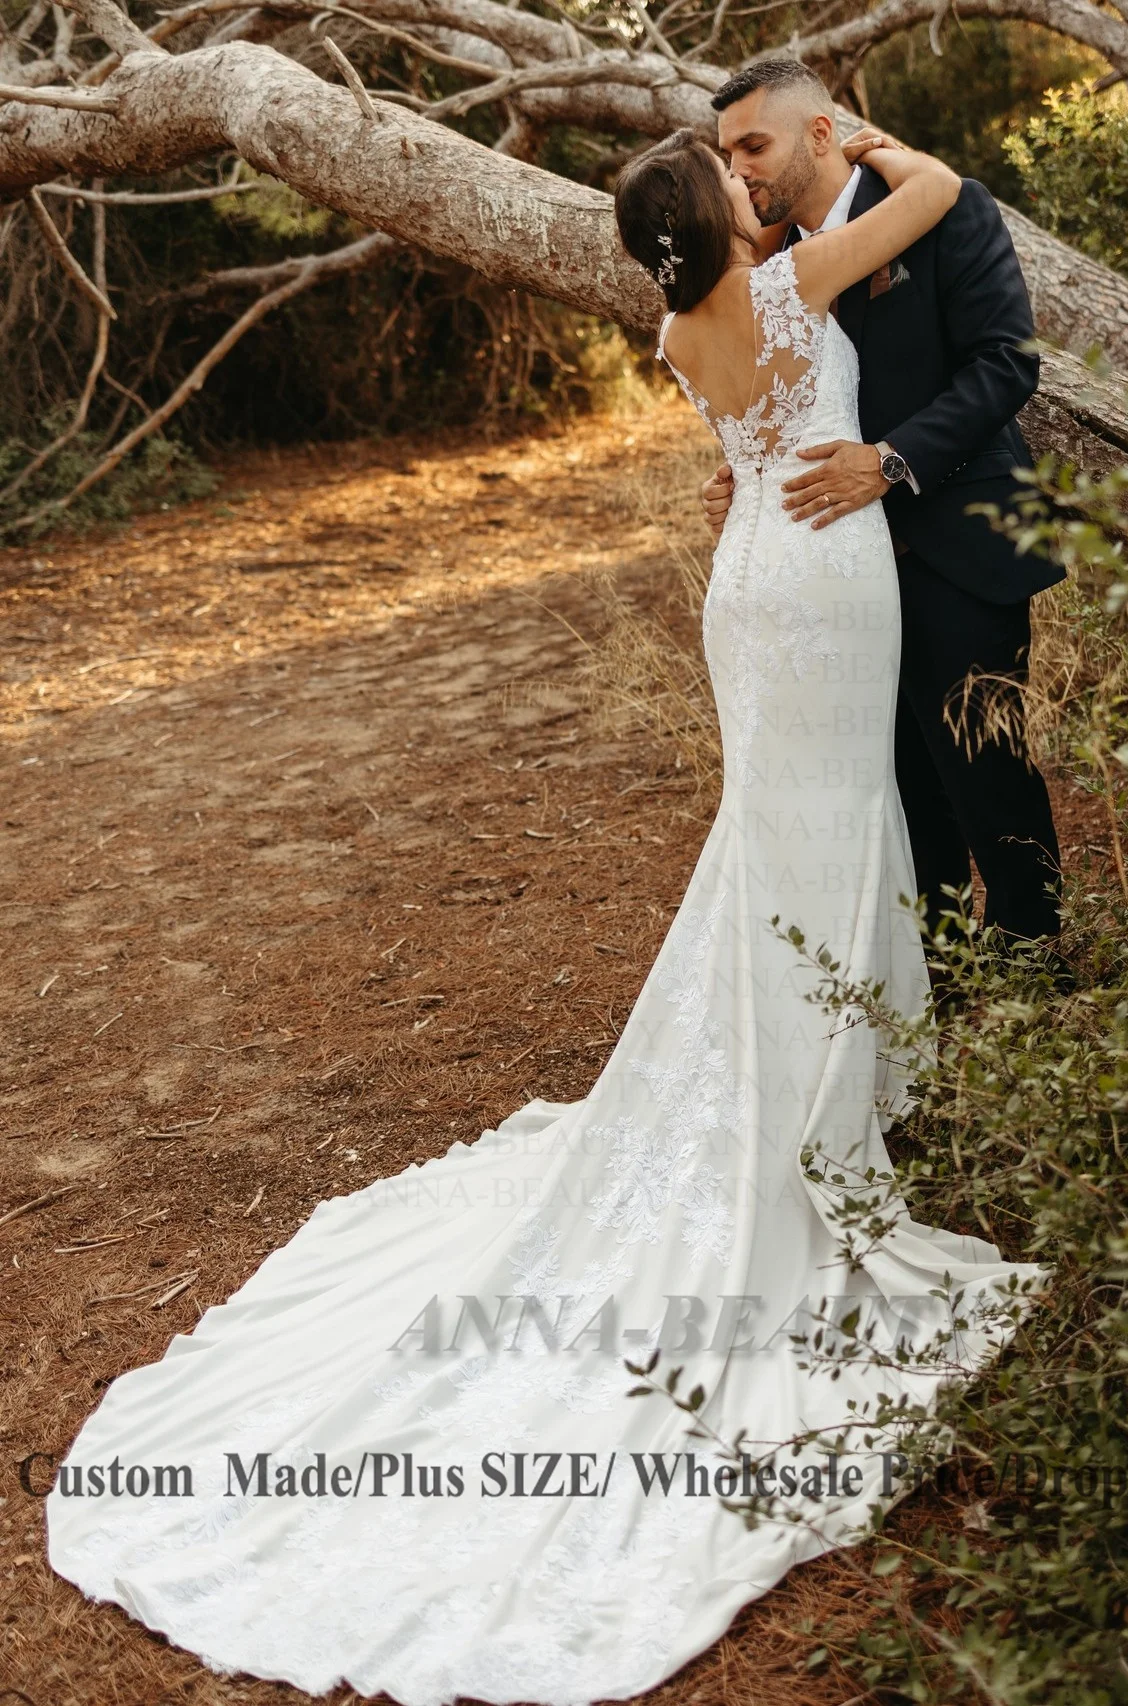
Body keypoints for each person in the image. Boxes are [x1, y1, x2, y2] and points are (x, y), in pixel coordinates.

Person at [42, 119, 1045, 1706]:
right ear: (713, 214)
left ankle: (830, 1082)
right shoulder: (788, 293)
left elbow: (754, 387)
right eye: (731, 177)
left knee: (783, 843)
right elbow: (935, 193)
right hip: (822, 586)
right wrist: (869, 137)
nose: (751, 183)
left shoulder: (681, 328)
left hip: (754, 589)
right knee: (825, 832)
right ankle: (816, 1114)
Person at [703, 58, 1065, 948]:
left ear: (820, 133)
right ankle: (930, 966)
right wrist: (746, 477)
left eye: (753, 145)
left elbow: (1004, 363)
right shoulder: (767, 263)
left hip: (956, 536)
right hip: (834, 566)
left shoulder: (943, 207)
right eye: (727, 153)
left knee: (983, 765)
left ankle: (1034, 959)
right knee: (890, 775)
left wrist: (891, 461)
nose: (738, 168)